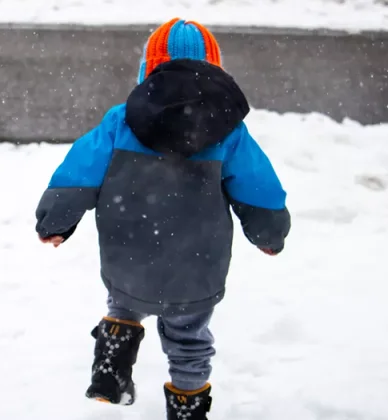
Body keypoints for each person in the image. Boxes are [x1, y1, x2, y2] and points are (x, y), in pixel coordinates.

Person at [34, 18, 292, 420]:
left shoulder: (120, 121)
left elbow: (78, 172)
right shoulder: (228, 131)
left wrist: (56, 221)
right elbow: (258, 189)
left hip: (128, 252)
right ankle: (187, 410)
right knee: (189, 339)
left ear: (148, 69)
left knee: (124, 304)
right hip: (195, 264)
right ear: (215, 69)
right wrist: (268, 233)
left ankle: (110, 370)